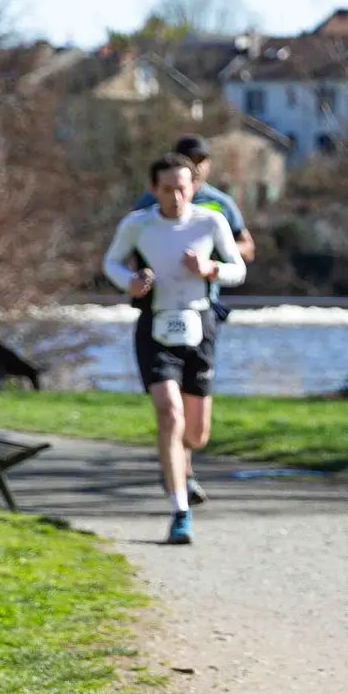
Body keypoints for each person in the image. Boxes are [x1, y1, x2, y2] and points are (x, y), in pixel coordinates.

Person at [102, 153, 247, 546]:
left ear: (193, 187)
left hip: (200, 325)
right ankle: (179, 510)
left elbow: (239, 269)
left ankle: (179, 463)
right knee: (169, 412)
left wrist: (210, 269)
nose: (176, 196)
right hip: (156, 325)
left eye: (182, 188)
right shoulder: (138, 224)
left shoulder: (210, 221)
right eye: (167, 189)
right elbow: (111, 263)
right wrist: (130, 282)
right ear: (154, 190)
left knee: (196, 434)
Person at [130, 134, 256, 506]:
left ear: (207, 166)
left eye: (201, 159)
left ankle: (182, 456)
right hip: (159, 308)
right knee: (170, 408)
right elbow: (131, 246)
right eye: (188, 158)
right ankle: (180, 472)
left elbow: (246, 246)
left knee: (196, 421)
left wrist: (212, 261)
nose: (195, 165)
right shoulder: (148, 204)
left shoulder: (219, 204)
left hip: (205, 307)